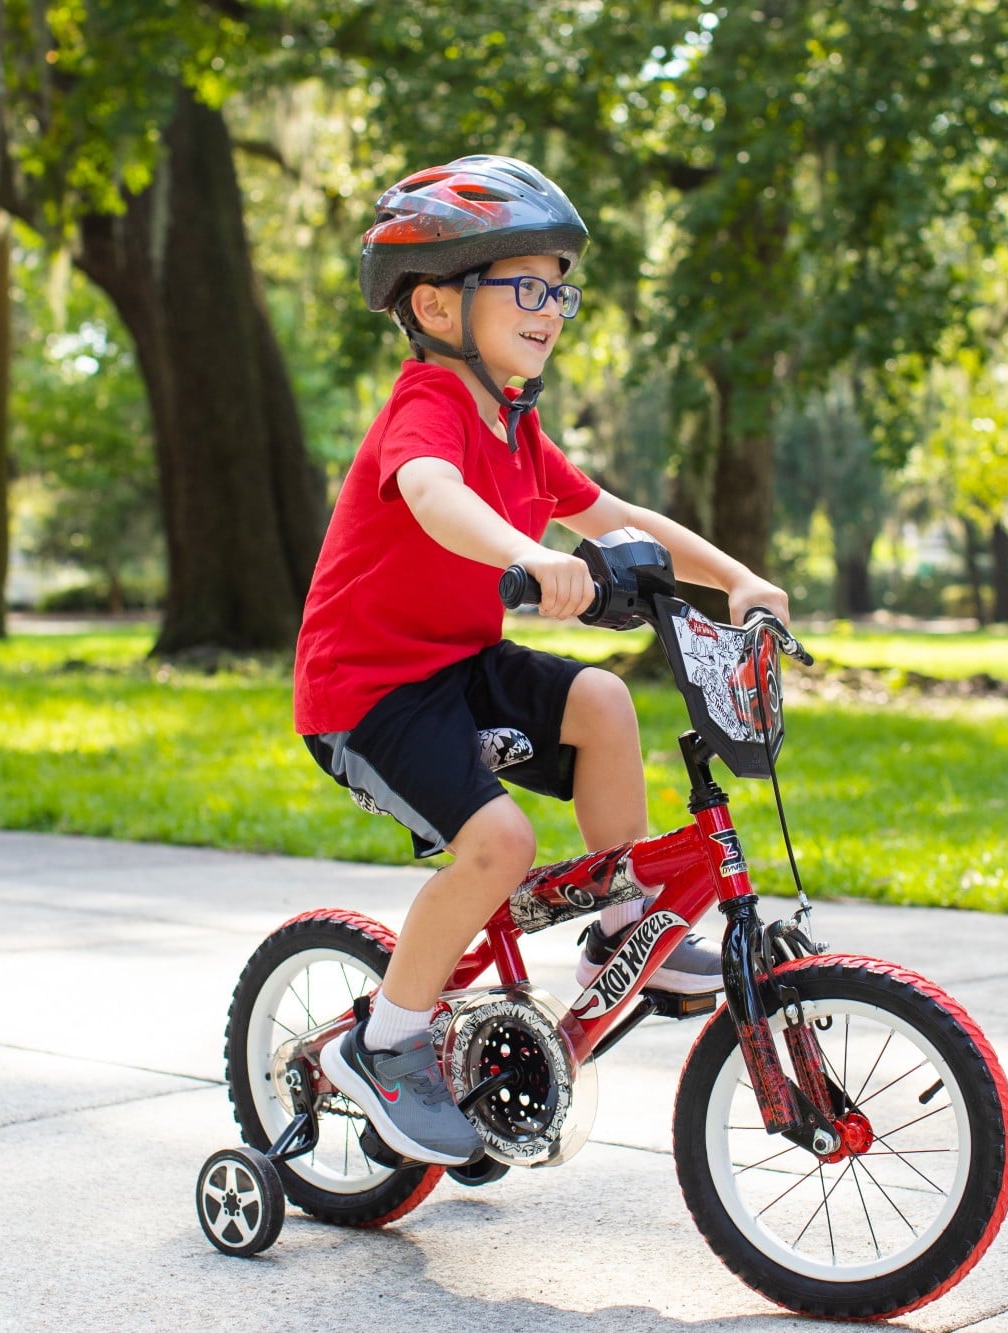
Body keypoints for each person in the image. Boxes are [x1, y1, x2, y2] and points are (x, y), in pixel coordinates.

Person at [293, 155, 790, 1166]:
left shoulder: (516, 426)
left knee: (602, 699)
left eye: (559, 288)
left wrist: (735, 581)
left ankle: (619, 927)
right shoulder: (425, 407)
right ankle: (384, 1045)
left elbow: (615, 516)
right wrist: (526, 553)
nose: (552, 307)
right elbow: (434, 496)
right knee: (500, 843)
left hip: (455, 661)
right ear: (436, 302)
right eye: (525, 284)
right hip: (366, 691)